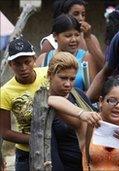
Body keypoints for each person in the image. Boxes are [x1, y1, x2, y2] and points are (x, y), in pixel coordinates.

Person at [48, 77, 119, 170]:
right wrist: (81, 113)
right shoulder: (89, 122)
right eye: (112, 100)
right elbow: (51, 100)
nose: (118, 106)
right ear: (101, 101)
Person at [0, 37, 48, 171]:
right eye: (17, 64)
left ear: (34, 58)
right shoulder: (5, 92)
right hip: (26, 154)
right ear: (10, 65)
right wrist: (36, 139)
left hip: (54, 146)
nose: (23, 68)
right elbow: (5, 132)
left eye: (27, 62)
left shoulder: (47, 74)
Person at [47, 52, 96, 170]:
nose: (68, 84)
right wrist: (81, 114)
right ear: (50, 75)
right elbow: (50, 149)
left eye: (72, 79)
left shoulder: (78, 95)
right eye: (63, 78)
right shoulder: (44, 105)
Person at [36, 14, 98, 91]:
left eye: (77, 35)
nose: (74, 39)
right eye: (68, 36)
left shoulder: (87, 59)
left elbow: (94, 91)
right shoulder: (43, 60)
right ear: (55, 35)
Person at [40, 0, 104, 71]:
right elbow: (44, 71)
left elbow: (102, 67)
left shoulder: (91, 38)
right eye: (76, 14)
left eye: (83, 14)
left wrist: (88, 39)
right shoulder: (50, 42)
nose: (80, 18)